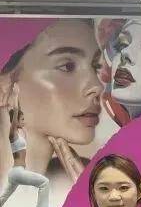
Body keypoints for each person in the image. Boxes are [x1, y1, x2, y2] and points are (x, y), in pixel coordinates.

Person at [0, 19, 104, 187]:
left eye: (95, 66)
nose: (97, 86)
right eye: (68, 66)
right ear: (4, 87)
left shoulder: (91, 181)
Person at [0, 105, 51, 207]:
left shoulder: (20, 134)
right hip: (18, 172)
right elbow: (14, 121)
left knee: (3, 197)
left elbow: (18, 121)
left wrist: (17, 107)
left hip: (15, 173)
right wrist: (15, 102)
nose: (24, 121)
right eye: (22, 119)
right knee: (44, 182)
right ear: (16, 121)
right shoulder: (12, 135)